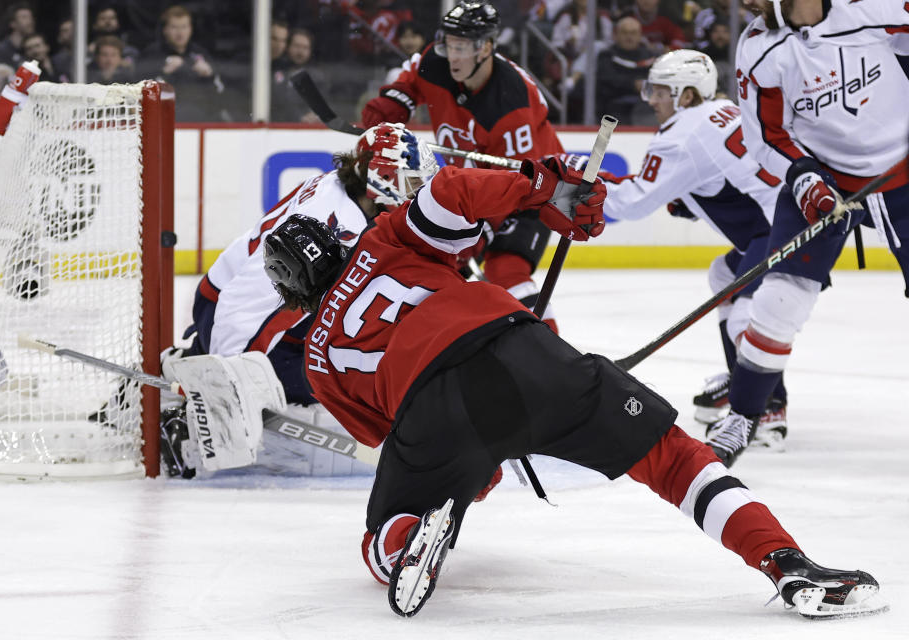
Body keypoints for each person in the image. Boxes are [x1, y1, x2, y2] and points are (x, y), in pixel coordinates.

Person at [261, 157, 886, 620]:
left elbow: (394, 434)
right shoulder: (382, 240)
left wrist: (470, 477)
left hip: (430, 408)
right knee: (671, 457)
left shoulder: (319, 358)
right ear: (339, 241)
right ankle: (785, 562)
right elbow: (452, 193)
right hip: (519, 346)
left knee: (382, 531)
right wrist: (542, 191)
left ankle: (407, 539)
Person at [159, 123, 440, 480]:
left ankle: (188, 357)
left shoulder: (342, 191)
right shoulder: (335, 221)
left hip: (223, 300)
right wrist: (224, 381)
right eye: (413, 183)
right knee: (337, 378)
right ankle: (187, 421)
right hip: (228, 313)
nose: (419, 193)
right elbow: (249, 297)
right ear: (381, 179)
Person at [703, 0, 909, 466]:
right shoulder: (758, 49)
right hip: (823, 177)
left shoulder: (870, 10)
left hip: (903, 172)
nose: (746, 4)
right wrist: (804, 179)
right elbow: (765, 137)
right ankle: (743, 415)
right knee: (777, 300)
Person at [595, 49, 788, 448]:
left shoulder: (679, 134)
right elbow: (719, 177)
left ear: (685, 95)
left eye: (661, 91)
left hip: (783, 228)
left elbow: (632, 203)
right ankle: (745, 379)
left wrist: (586, 194)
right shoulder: (721, 110)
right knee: (723, 274)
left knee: (746, 319)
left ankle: (764, 407)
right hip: (785, 218)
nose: (651, 99)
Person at [361, 1, 567, 332]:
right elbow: (411, 75)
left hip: (532, 191)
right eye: (449, 44)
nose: (452, 55)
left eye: (462, 47)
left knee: (505, 272)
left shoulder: (510, 104)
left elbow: (517, 182)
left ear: (485, 47)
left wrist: (482, 230)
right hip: (474, 189)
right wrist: (396, 98)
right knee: (431, 268)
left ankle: (557, 360)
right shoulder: (437, 60)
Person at [139, 5, 226, 121]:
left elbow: (221, 94)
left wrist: (209, 75)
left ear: (190, 29)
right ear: (165, 30)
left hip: (200, 119)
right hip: (163, 120)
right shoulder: (152, 54)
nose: (180, 33)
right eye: (174, 27)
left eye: (184, 27)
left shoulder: (200, 53)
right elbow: (140, 93)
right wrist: (163, 72)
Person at [594, 15, 656, 125]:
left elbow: (657, 82)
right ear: (616, 35)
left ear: (640, 35)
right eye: (624, 32)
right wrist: (634, 84)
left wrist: (643, 86)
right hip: (613, 109)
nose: (629, 37)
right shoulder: (606, 56)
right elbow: (608, 80)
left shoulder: (651, 56)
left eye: (633, 33)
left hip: (646, 108)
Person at [0, 2, 35, 69]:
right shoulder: (0, 52)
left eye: (31, 17)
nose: (30, 21)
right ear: (12, 23)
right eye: (24, 17)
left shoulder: (32, 51)